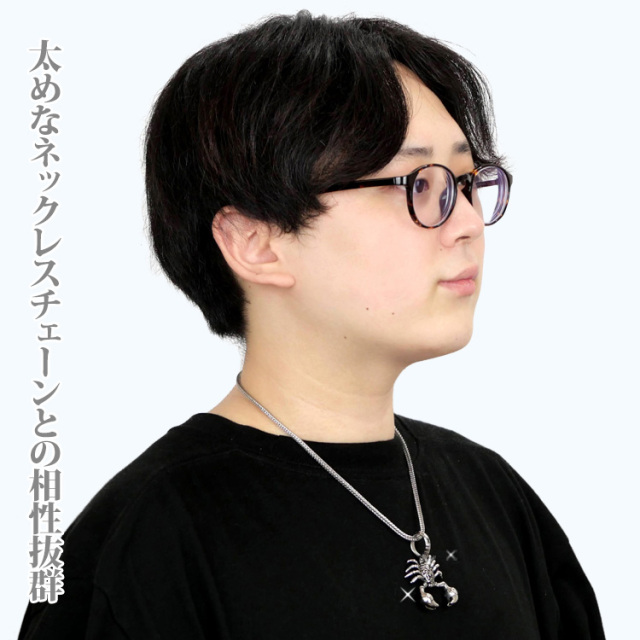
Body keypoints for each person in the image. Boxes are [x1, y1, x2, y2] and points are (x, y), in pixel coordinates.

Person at [19, 11, 605, 639]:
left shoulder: (495, 497)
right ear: (255, 241)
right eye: (416, 182)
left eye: (465, 182)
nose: (466, 222)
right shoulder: (149, 543)